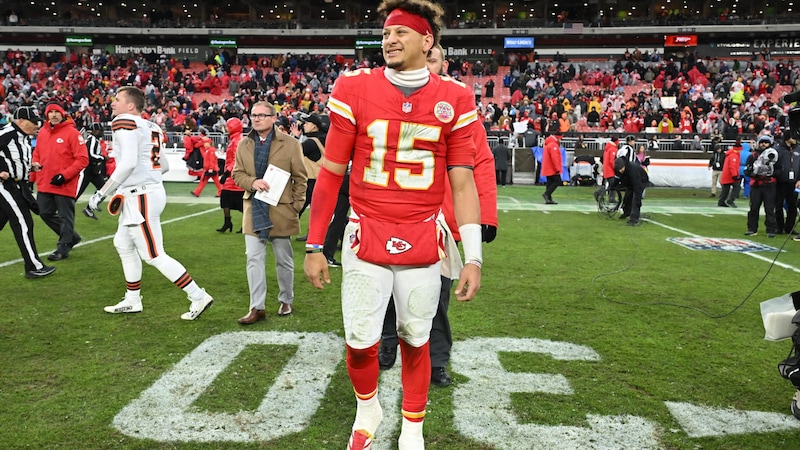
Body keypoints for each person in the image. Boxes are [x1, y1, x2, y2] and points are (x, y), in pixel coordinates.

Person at [302, 1, 482, 448]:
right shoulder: (355, 86)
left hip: (423, 231)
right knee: (361, 341)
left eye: (401, 33)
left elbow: (462, 183)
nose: (390, 40)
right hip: (366, 229)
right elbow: (330, 171)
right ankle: (368, 410)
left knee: (415, 338)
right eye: (385, 34)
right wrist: (314, 245)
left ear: (428, 42)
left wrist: (474, 257)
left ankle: (414, 431)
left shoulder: (455, 96)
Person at [378, 42, 498, 389]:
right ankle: (388, 344)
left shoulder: (459, 110)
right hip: (391, 215)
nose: (426, 64)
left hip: (440, 221)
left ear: (442, 64)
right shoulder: (387, 101)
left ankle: (437, 359)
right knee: (387, 290)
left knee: (438, 298)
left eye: (432, 58)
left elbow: (481, 165)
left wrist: (484, 218)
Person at [86, 86, 214, 320]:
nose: (113, 103)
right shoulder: (151, 125)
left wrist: (100, 193)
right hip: (148, 192)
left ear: (130, 106)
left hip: (141, 195)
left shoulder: (124, 121)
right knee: (122, 244)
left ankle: (198, 295)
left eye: (117, 99)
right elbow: (163, 166)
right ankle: (132, 299)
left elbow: (127, 164)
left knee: (154, 254)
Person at [232, 101, 307, 323]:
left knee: (284, 259)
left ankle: (286, 299)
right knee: (253, 259)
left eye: (262, 115)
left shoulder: (291, 144)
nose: (256, 119)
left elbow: (301, 179)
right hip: (253, 208)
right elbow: (237, 174)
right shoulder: (244, 144)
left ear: (274, 118)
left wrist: (296, 206)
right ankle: (257, 307)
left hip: (281, 209)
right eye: (253, 115)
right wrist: (252, 182)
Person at [0, 107, 56, 278]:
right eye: (33, 121)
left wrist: (30, 167)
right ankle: (33, 266)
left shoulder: (23, 137)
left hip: (18, 185)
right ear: (21, 121)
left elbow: (14, 159)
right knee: (23, 222)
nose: (37, 125)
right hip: (5, 185)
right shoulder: (7, 133)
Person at [32, 102, 89, 261]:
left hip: (65, 183)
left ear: (63, 114)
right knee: (44, 212)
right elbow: (37, 154)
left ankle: (63, 246)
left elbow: (83, 159)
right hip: (44, 181)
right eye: (51, 112)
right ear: (47, 115)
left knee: (65, 216)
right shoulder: (42, 132)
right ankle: (72, 237)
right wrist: (32, 176)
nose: (54, 115)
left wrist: (64, 175)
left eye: (57, 112)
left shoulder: (72, 133)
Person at [294, 113, 327, 242]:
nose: (304, 125)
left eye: (307, 123)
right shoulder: (323, 139)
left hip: (311, 181)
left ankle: (283, 232)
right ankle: (312, 234)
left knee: (297, 208)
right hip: (321, 180)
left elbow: (294, 153)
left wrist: (296, 137)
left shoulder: (311, 143)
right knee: (318, 212)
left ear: (314, 126)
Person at [744, 134, 780, 237]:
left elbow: (779, 170)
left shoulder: (775, 155)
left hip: (769, 185)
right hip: (756, 184)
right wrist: (752, 173)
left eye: (766, 142)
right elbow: (747, 170)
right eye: (762, 142)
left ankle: (771, 230)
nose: (763, 144)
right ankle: (752, 228)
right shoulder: (753, 156)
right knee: (754, 207)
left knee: (769, 208)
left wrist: (770, 173)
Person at [216, 117, 245, 233]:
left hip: (235, 175)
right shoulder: (235, 139)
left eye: (228, 127)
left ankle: (245, 224)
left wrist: (227, 172)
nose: (226, 129)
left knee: (240, 202)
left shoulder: (237, 140)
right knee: (225, 199)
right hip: (232, 175)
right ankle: (228, 222)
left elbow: (237, 159)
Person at [614, 156, 649, 226]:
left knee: (635, 199)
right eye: (619, 170)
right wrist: (613, 186)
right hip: (630, 181)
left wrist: (638, 200)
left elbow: (637, 186)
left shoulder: (632, 170)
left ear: (624, 165)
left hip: (641, 181)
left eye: (621, 169)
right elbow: (617, 179)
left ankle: (634, 218)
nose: (621, 171)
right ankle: (627, 212)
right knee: (627, 197)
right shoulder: (618, 169)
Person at [774, 132, 798, 235]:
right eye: (793, 137)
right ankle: (779, 227)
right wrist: (778, 174)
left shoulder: (798, 149)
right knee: (778, 205)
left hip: (794, 183)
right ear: (787, 138)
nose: (795, 139)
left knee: (792, 206)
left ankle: (790, 227)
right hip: (780, 182)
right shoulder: (778, 150)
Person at [718, 138, 743, 208]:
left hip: (726, 175)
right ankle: (730, 200)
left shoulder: (730, 154)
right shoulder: (734, 155)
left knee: (725, 189)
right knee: (737, 187)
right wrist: (735, 175)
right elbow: (732, 166)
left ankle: (721, 201)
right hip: (731, 175)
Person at [541, 128, 562, 204]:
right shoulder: (554, 145)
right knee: (557, 181)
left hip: (547, 167)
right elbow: (555, 158)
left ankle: (548, 199)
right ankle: (547, 194)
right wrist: (557, 168)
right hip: (552, 168)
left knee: (550, 182)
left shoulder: (549, 143)